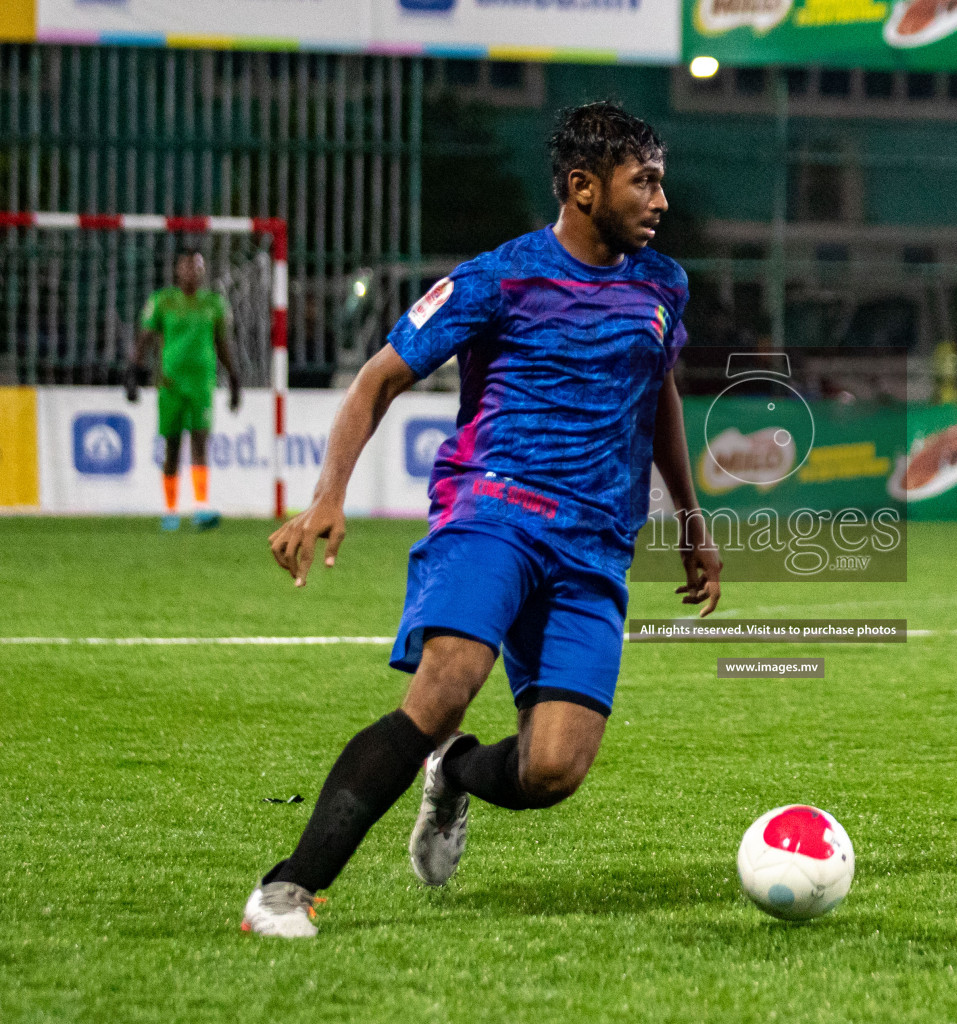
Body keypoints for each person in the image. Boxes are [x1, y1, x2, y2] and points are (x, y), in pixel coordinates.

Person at [241, 102, 723, 938]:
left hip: (597, 543)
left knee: (553, 770)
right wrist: (328, 494)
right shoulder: (499, 277)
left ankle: (456, 775)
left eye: (661, 182)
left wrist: (689, 515)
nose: (661, 201)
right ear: (582, 187)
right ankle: (288, 889)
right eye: (643, 182)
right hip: (494, 510)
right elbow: (376, 380)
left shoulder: (663, 286)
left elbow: (660, 395)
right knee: (445, 689)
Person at [126, 246, 241, 530]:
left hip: (202, 383)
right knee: (173, 446)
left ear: (203, 271)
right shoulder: (162, 301)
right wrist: (132, 371)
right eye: (187, 266)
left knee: (201, 440)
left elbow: (223, 344)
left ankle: (201, 507)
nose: (192, 271)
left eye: (197, 266)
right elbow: (146, 337)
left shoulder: (214, 303)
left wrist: (235, 379)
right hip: (170, 383)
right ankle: (170, 510)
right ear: (177, 270)